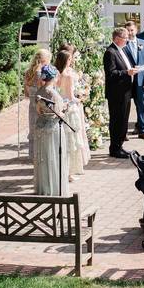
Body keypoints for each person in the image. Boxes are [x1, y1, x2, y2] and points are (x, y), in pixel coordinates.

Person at [33, 64, 70, 195]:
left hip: (41, 127)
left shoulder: (39, 92)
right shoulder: (53, 93)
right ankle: (55, 187)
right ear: (54, 77)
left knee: (44, 157)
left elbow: (38, 111)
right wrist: (65, 109)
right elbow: (58, 113)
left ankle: (44, 187)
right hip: (53, 128)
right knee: (54, 157)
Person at [103, 27, 139, 158]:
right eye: (125, 38)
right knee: (117, 120)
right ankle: (115, 148)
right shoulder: (110, 52)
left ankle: (120, 145)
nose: (127, 40)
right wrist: (127, 73)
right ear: (117, 39)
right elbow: (111, 73)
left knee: (123, 120)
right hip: (116, 93)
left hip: (125, 91)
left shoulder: (121, 50)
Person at [55, 50, 91, 179]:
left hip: (61, 108)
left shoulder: (56, 74)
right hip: (71, 109)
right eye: (70, 59)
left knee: (63, 141)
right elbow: (70, 97)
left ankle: (63, 170)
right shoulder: (68, 76)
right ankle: (69, 172)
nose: (72, 61)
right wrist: (81, 98)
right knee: (71, 142)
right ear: (66, 60)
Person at [123, 20, 144, 140]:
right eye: (128, 30)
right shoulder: (122, 46)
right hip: (127, 81)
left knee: (141, 106)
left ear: (136, 30)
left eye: (132, 30)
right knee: (125, 107)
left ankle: (142, 130)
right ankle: (123, 132)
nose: (130, 33)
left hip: (141, 81)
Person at [23, 48, 52, 158]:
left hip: (31, 106)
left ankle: (33, 155)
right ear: (45, 60)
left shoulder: (27, 73)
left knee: (33, 129)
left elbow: (26, 94)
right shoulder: (41, 74)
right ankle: (40, 156)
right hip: (41, 106)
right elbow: (44, 92)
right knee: (41, 130)